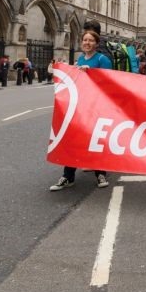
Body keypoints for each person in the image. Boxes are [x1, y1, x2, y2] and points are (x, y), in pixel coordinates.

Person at [50, 30, 112, 191]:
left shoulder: (102, 59)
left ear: (96, 44)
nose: (87, 43)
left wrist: (90, 73)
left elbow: (110, 82)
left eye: (91, 40)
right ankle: (68, 176)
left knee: (95, 140)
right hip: (80, 107)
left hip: (97, 107)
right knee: (72, 138)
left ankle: (100, 173)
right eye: (85, 40)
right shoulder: (80, 59)